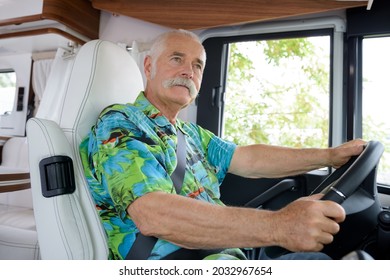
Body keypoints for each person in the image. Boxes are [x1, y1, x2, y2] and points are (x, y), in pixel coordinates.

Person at [79, 29, 366, 260]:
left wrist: (330, 155)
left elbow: (249, 159)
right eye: (176, 59)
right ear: (150, 66)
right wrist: (280, 226)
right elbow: (154, 216)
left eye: (197, 65)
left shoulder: (190, 134)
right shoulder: (120, 123)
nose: (188, 72)